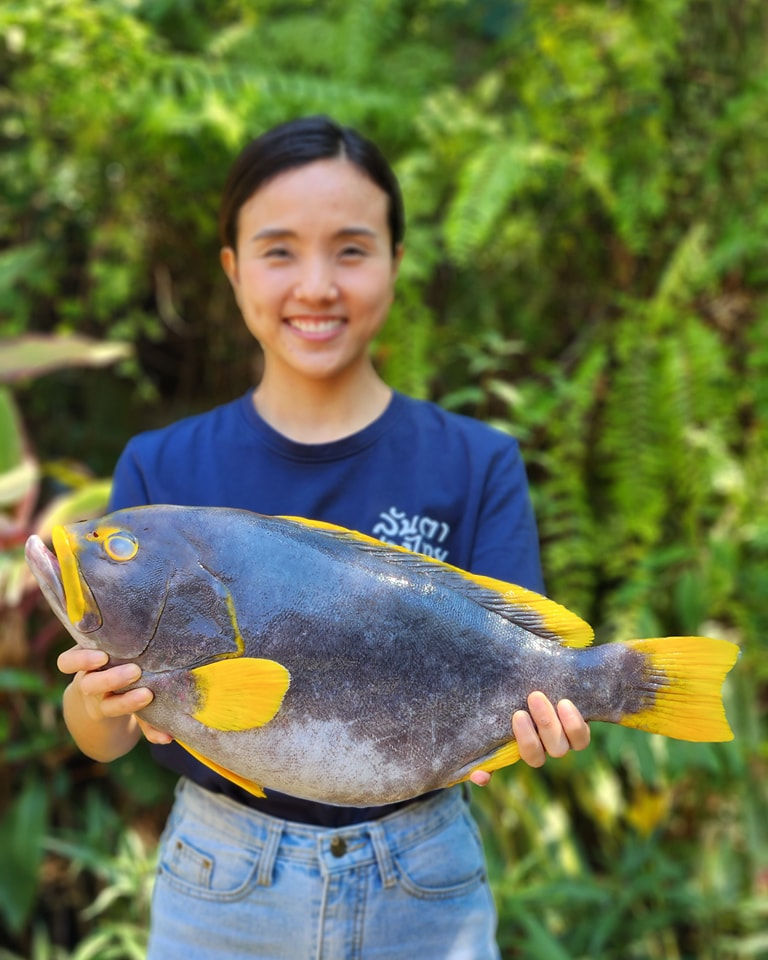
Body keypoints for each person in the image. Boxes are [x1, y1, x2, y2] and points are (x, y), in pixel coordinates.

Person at [57, 116, 591, 960]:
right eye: (278, 251)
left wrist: (555, 713)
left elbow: (527, 668)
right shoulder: (159, 468)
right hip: (220, 883)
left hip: (427, 876)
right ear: (231, 269)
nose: (316, 284)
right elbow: (105, 733)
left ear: (396, 262)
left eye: (350, 249)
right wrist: (95, 704)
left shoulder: (477, 461)